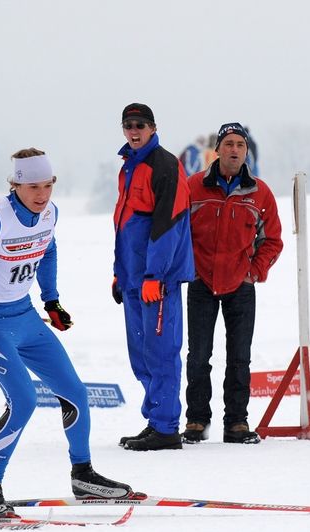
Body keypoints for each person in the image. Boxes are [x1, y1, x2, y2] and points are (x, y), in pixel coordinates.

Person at [0, 148, 132, 518]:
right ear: (14, 185)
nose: (41, 194)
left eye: (47, 185)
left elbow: (48, 250)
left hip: (26, 318)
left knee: (75, 391)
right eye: (31, 186)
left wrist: (52, 301)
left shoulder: (50, 213)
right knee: (24, 400)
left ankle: (83, 474)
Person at [183, 122, 283, 445]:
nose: (235, 150)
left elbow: (273, 240)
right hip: (201, 283)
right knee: (198, 355)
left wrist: (254, 271)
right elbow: (178, 233)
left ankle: (236, 422)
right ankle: (197, 420)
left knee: (239, 356)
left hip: (241, 285)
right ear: (218, 149)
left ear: (246, 151)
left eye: (240, 144)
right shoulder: (194, 187)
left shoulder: (260, 193)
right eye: (229, 144)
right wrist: (188, 268)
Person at [113, 103, 195, 451]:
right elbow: (125, 226)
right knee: (142, 353)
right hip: (133, 279)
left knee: (161, 351)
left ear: (153, 127)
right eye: (128, 125)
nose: (134, 130)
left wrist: (153, 275)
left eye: (141, 124)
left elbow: (168, 225)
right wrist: (120, 274)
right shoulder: (129, 167)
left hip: (155, 281)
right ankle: (156, 419)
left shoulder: (163, 165)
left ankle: (166, 427)